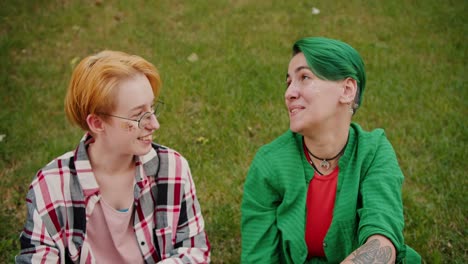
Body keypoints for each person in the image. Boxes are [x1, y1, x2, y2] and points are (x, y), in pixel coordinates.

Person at [16, 50, 211, 263]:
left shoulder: (173, 168)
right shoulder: (50, 188)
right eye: (138, 115)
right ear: (97, 124)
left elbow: (195, 252)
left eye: (152, 108)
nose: (155, 124)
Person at [241, 37, 421, 263]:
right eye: (288, 83)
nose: (289, 93)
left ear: (347, 90)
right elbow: (259, 257)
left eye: (304, 77)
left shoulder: (373, 152)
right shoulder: (269, 164)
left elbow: (382, 241)